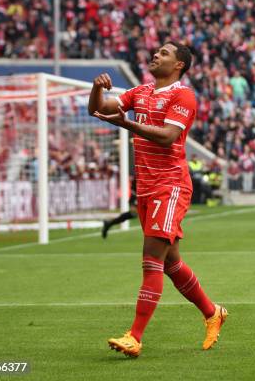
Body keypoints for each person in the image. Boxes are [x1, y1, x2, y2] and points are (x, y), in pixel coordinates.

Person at [89, 41, 227, 358]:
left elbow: (167, 137)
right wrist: (97, 90)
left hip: (171, 184)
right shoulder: (140, 92)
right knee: (171, 262)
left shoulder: (183, 95)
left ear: (178, 65)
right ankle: (212, 312)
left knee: (151, 258)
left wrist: (126, 123)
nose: (156, 55)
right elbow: (96, 110)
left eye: (164, 53)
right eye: (157, 51)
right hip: (147, 187)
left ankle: (134, 336)